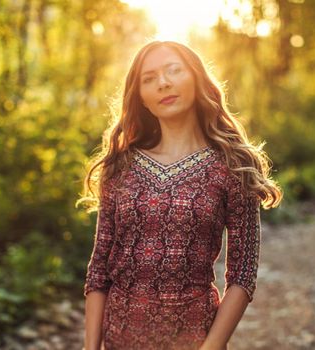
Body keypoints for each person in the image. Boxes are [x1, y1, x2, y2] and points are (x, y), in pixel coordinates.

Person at [77, 40, 283, 350]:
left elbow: (243, 273)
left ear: (196, 79)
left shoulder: (233, 164)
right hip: (120, 339)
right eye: (149, 78)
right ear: (141, 97)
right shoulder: (119, 166)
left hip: (195, 338)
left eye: (174, 70)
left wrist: (211, 347)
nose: (163, 83)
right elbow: (99, 269)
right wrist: (91, 347)